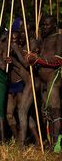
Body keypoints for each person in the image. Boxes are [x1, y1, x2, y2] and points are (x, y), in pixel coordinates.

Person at [26, 15, 62, 151]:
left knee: (55, 111)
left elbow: (58, 60)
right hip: (42, 81)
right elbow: (37, 56)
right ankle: (51, 141)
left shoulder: (59, 38)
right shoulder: (43, 39)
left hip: (54, 78)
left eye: (47, 25)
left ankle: (57, 144)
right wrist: (32, 55)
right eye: (42, 25)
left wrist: (38, 60)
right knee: (46, 113)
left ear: (54, 25)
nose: (44, 27)